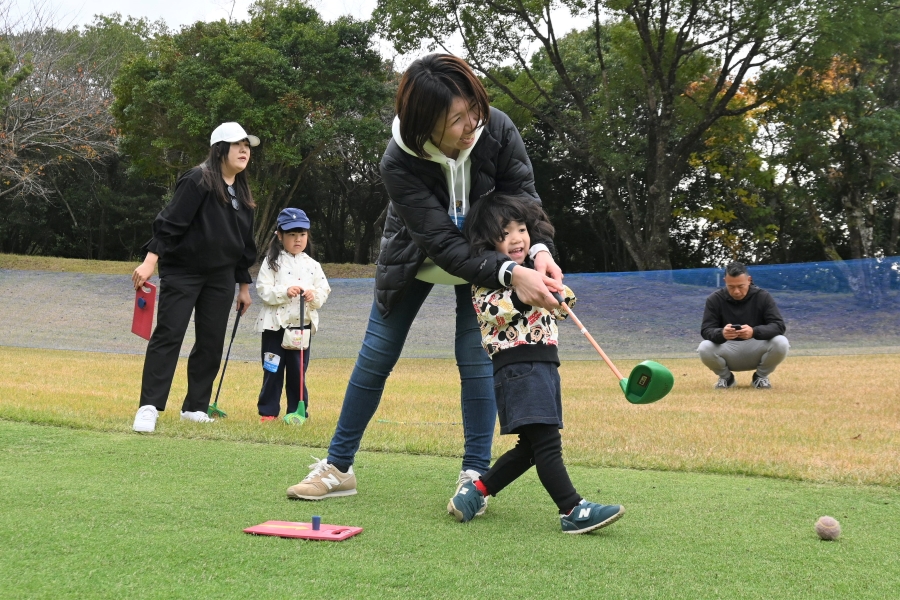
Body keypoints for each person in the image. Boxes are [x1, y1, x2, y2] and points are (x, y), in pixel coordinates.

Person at [286, 54, 564, 503]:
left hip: (487, 259)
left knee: (475, 362)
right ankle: (338, 468)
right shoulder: (398, 160)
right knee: (376, 355)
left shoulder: (497, 127)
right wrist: (512, 273)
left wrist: (538, 252)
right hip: (418, 257)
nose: (472, 122)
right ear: (425, 123)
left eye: (473, 107)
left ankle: (474, 475)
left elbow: (525, 200)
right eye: (456, 119)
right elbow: (444, 246)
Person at [445, 193, 625, 534]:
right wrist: (525, 288)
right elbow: (496, 311)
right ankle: (572, 508)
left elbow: (564, 300)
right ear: (487, 242)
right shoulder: (488, 279)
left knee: (530, 446)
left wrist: (554, 289)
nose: (517, 238)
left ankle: (476, 492)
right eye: (504, 232)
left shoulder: (531, 270)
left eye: (522, 229)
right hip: (517, 368)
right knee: (546, 442)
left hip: (543, 365)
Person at [131, 122, 259, 433]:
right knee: (169, 334)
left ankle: (195, 407)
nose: (244, 150)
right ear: (220, 149)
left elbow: (243, 244)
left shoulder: (242, 192)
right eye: (237, 144)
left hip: (221, 276)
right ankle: (149, 407)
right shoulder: (198, 179)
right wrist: (150, 261)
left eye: (247, 145)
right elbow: (170, 222)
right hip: (183, 271)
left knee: (211, 341)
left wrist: (243, 287)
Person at [255, 208, 331, 424]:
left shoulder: (313, 265)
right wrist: (284, 292)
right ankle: (268, 412)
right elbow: (263, 290)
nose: (298, 240)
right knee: (272, 368)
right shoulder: (272, 263)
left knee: (298, 371)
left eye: (302, 235)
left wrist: (312, 295)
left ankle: (297, 411)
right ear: (279, 236)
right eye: (291, 235)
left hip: (301, 328)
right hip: (274, 327)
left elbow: (324, 291)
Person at [698, 261, 789, 389]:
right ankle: (727, 379)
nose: (736, 291)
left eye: (741, 286)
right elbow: (706, 330)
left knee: (781, 342)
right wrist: (722, 333)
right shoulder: (714, 299)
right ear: (725, 281)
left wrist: (754, 332)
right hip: (728, 349)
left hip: (756, 347)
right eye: (731, 286)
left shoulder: (763, 297)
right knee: (704, 347)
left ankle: (760, 378)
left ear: (749, 280)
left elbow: (779, 326)